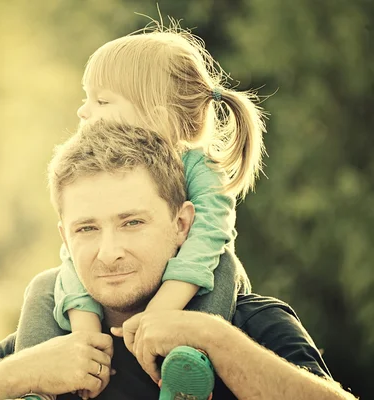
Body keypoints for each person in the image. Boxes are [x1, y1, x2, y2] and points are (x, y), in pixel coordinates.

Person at [0, 121, 356, 400]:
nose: (109, 251)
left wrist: (214, 340)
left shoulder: (251, 326)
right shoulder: (40, 347)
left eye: (131, 223)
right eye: (87, 229)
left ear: (182, 225)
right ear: (65, 236)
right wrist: (12, 379)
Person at [17, 25, 264, 400]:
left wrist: (162, 312)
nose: (84, 111)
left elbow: (209, 239)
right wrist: (85, 330)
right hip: (101, 318)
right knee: (45, 285)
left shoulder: (197, 169)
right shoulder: (93, 172)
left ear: (156, 115)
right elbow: (75, 252)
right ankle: (31, 386)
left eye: (101, 101)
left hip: (192, 284)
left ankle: (186, 366)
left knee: (223, 266)